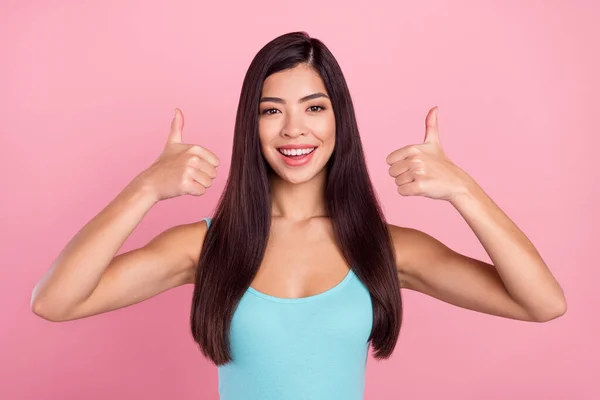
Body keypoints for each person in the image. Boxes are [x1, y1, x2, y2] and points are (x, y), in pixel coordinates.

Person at [30, 31, 567, 399]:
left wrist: (463, 190)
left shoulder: (386, 248)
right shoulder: (205, 247)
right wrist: (146, 187)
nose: (294, 130)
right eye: (271, 111)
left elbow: (542, 303)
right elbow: (55, 302)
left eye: (314, 107)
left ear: (339, 121)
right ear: (251, 125)